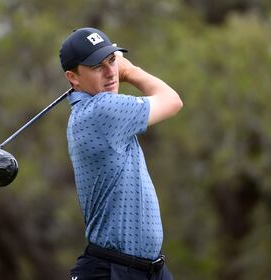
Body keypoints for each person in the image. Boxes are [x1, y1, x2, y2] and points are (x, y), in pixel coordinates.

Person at [59, 27, 183, 280]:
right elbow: (172, 101)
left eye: (112, 60)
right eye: (97, 66)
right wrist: (130, 70)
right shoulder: (102, 111)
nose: (110, 72)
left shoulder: (95, 110)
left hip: (149, 270)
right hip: (112, 271)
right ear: (73, 78)